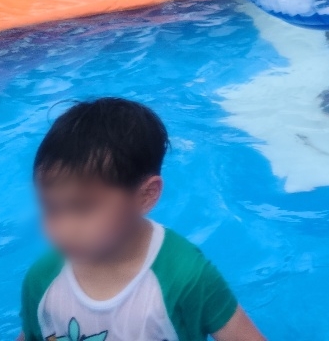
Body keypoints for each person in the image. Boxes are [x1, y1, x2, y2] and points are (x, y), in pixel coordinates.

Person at [19, 98, 264, 341]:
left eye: (83, 209)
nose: (63, 229)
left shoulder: (185, 276)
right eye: (50, 207)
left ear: (145, 195)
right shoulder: (42, 279)